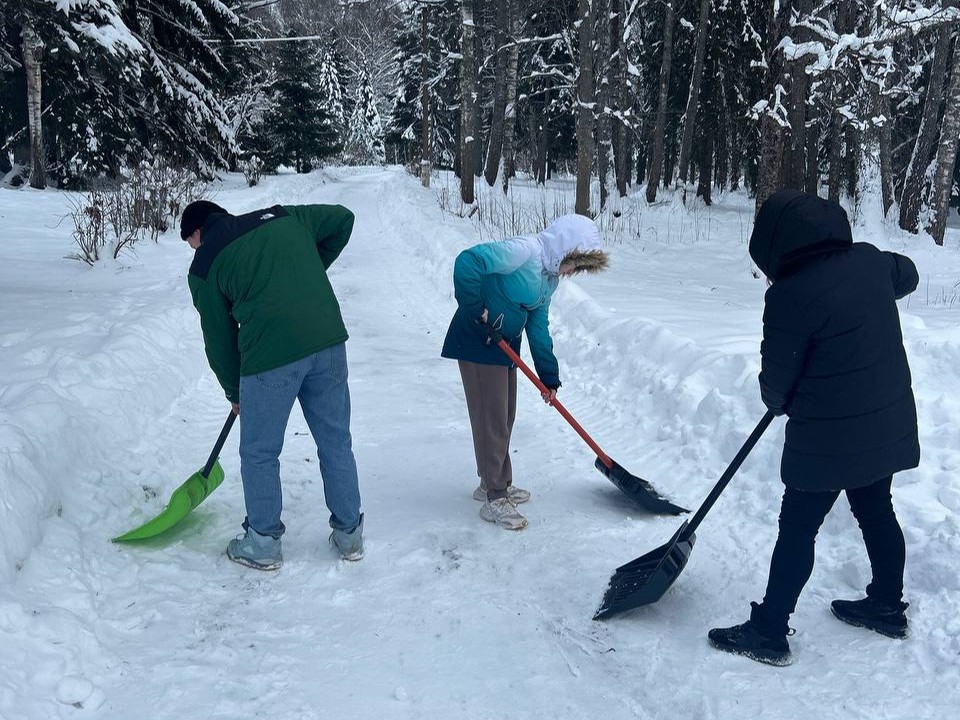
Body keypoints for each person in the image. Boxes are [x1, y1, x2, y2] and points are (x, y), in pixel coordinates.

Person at [709, 190, 920, 666]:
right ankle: (887, 605)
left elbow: (776, 385)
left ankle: (769, 630)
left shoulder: (789, 295)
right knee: (875, 507)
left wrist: (779, 400)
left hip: (827, 436)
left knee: (798, 527)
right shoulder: (871, 262)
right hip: (884, 420)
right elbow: (908, 272)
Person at [181, 199, 364, 570]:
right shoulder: (283, 216)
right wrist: (301, 276)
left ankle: (263, 543)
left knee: (260, 452)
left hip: (270, 356)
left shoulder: (203, 266)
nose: (194, 251)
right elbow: (344, 218)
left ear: (198, 231)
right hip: (328, 341)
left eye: (191, 243)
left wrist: (235, 392)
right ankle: (350, 536)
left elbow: (218, 338)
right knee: (335, 440)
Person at [441, 214, 609, 531]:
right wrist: (477, 310)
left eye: (578, 266)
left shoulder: (549, 279)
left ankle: (491, 482)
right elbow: (468, 262)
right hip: (478, 340)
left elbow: (538, 326)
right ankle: (495, 496)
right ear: (563, 248)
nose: (572, 271)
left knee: (504, 417)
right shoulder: (524, 252)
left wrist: (549, 376)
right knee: (491, 419)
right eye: (573, 262)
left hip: (504, 344)